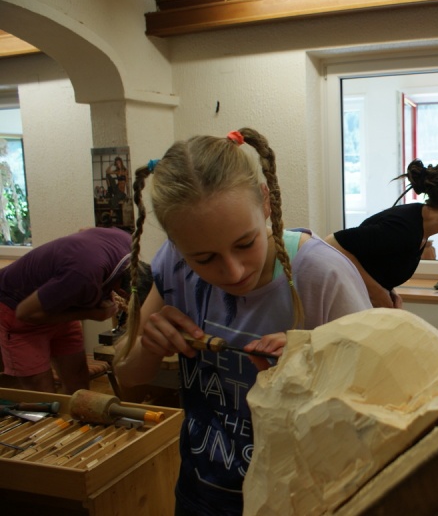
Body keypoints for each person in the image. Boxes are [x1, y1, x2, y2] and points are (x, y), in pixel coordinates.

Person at [112, 128, 371, 516]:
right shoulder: (173, 264)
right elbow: (128, 375)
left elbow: (375, 403)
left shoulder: (321, 274)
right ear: (177, 245)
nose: (232, 272)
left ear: (265, 202)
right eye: (204, 259)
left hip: (303, 501)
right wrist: (148, 345)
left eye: (245, 244)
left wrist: (314, 364)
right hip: (203, 494)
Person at [326, 159, 438, 308]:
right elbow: (331, 243)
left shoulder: (420, 227)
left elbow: (375, 262)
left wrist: (388, 291)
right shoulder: (403, 229)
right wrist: (377, 292)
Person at [0, 227, 135, 394]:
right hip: (17, 310)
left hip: (60, 307)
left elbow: (84, 231)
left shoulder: (127, 243)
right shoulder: (82, 276)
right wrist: (90, 314)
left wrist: (100, 293)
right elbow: (24, 313)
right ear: (123, 292)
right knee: (42, 394)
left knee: (78, 385)